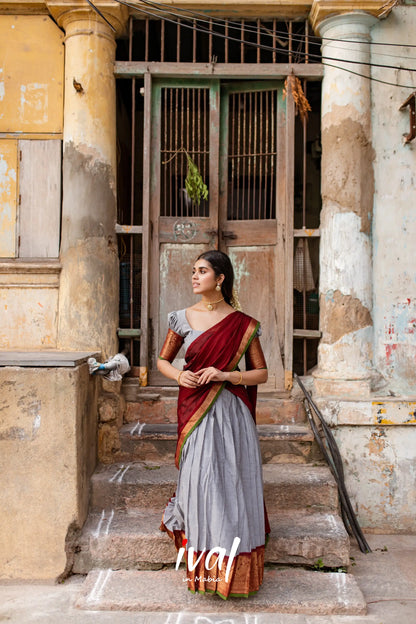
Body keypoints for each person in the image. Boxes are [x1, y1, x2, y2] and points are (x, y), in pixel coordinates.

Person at [157, 250, 269, 599]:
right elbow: (162, 361)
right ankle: (205, 570)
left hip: (231, 416)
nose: (194, 276)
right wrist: (180, 376)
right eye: (193, 271)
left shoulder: (243, 324)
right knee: (200, 484)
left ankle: (234, 573)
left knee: (232, 487)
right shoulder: (181, 318)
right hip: (196, 414)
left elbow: (261, 373)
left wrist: (226, 374)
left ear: (220, 279)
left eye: (202, 271)